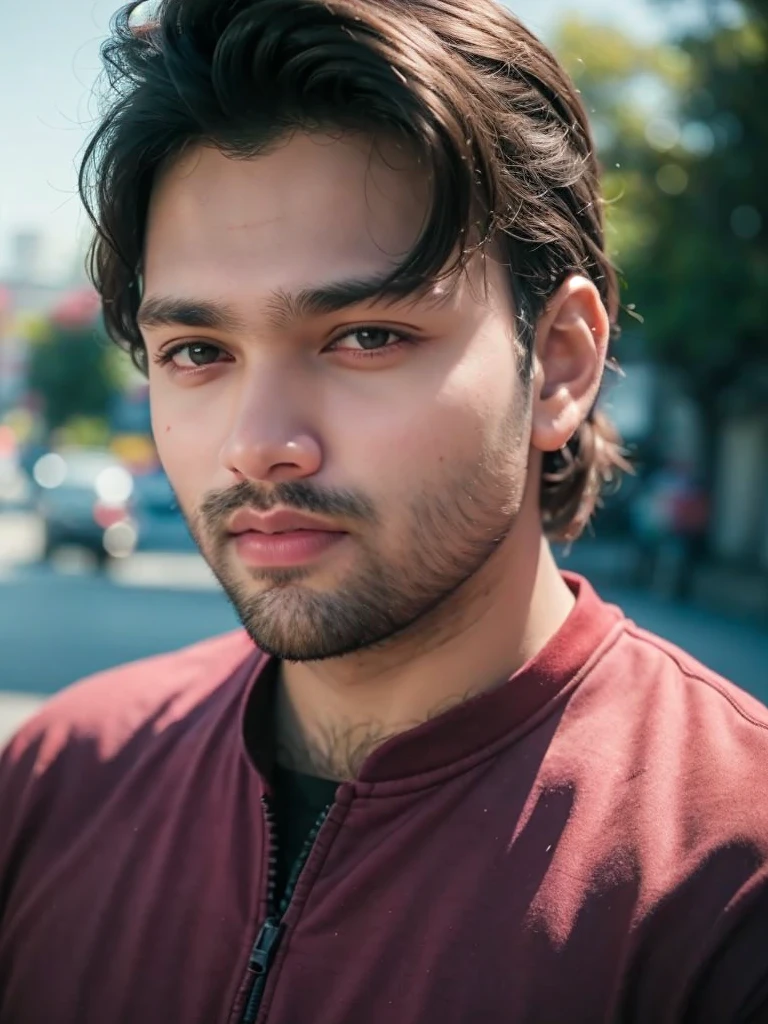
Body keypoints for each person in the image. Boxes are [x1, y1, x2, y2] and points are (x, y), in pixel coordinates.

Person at [1, 0, 766, 1020]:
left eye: (366, 337)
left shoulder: (731, 877)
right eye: (198, 353)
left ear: (562, 365)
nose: (257, 440)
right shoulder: (61, 777)